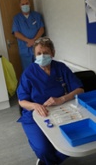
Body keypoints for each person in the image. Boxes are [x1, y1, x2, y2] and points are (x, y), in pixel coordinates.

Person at [17, 37, 84, 165]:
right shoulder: (29, 73)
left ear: (53, 53)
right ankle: (46, 159)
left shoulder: (61, 68)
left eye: (46, 52)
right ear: (35, 55)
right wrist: (35, 105)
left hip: (62, 110)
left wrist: (62, 99)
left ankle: (47, 162)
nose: (42, 56)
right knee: (43, 149)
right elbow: (22, 101)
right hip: (35, 115)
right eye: (39, 53)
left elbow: (80, 90)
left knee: (72, 143)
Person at [12, 0, 45, 71]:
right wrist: (28, 41)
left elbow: (41, 29)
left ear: (30, 4)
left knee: (40, 69)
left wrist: (34, 40)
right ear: (20, 6)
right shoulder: (17, 18)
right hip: (25, 49)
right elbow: (16, 33)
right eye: (23, 4)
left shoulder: (37, 16)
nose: (25, 5)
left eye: (26, 3)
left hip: (37, 47)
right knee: (28, 71)